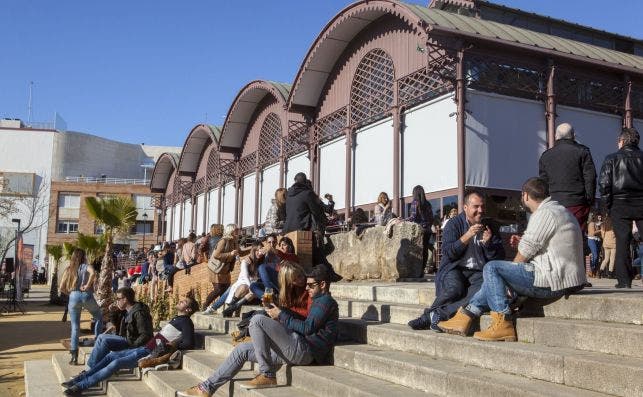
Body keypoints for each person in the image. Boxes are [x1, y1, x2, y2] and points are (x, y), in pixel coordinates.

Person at [438, 177, 586, 341]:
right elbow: (549, 247)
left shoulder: (544, 213)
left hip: (554, 280)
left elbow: (526, 251)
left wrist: (509, 275)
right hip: (564, 277)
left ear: (525, 196)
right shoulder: (560, 210)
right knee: (496, 276)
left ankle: (502, 323)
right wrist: (522, 245)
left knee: (492, 269)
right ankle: (465, 316)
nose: (481, 210)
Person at [177, 264, 339, 396]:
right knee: (242, 350)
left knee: (257, 320)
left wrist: (281, 315)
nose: (307, 288)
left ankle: (267, 374)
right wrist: (279, 313)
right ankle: (207, 388)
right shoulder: (318, 300)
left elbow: (307, 328)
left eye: (311, 285)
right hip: (297, 347)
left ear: (323, 284)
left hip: (306, 350)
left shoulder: (325, 302)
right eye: (307, 284)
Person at [407, 190, 504, 331]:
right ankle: (430, 316)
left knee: (479, 294)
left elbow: (499, 257)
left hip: (479, 272)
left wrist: (488, 245)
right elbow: (448, 253)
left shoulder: (490, 226)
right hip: (455, 268)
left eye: (482, 206)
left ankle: (432, 316)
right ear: (465, 208)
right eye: (476, 207)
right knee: (455, 289)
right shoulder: (454, 224)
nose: (480, 210)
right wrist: (467, 236)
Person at [62, 296, 198, 396]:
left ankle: (79, 387)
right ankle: (79, 379)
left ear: (188, 309)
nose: (180, 300)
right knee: (110, 356)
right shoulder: (178, 319)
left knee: (115, 363)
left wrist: (172, 344)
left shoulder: (186, 322)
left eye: (184, 301)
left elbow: (188, 342)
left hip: (150, 353)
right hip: (145, 348)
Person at [598, 127, 643, 288]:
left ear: (622, 141)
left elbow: (604, 185)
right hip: (641, 202)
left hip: (620, 204)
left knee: (622, 242)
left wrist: (606, 208)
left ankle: (624, 281)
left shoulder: (612, 159)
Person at [539, 122, 597, 233]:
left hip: (554, 204)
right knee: (576, 237)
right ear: (573, 136)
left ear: (556, 136)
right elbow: (590, 177)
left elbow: (543, 183)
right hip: (577, 203)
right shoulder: (583, 152)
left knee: (555, 237)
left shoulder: (546, 156)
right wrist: (589, 200)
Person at [86, 287, 153, 368]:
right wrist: (113, 311)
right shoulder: (125, 310)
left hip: (133, 343)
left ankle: (92, 370)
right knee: (101, 338)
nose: (116, 301)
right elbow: (114, 325)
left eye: (118, 299)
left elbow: (145, 335)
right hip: (127, 339)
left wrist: (132, 346)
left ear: (125, 299)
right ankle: (92, 368)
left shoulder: (139, 313)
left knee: (103, 339)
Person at [59, 248, 103, 365]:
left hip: (73, 297)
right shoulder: (85, 266)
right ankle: (98, 343)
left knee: (75, 327)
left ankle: (74, 357)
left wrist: (72, 294)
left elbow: (61, 288)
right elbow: (93, 273)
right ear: (83, 256)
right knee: (98, 316)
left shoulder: (69, 269)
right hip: (86, 295)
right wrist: (88, 285)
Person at [202, 242, 262, 315]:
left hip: (253, 288)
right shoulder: (246, 261)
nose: (259, 252)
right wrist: (251, 287)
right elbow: (245, 277)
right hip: (245, 284)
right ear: (253, 251)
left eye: (261, 250)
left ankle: (217, 308)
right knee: (238, 288)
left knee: (230, 289)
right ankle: (217, 308)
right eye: (257, 250)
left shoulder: (263, 261)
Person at [203, 224, 249, 309]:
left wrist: (251, 249)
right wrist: (230, 254)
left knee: (226, 290)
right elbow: (216, 255)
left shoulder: (235, 241)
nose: (238, 231)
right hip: (215, 268)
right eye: (236, 230)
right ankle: (205, 305)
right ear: (231, 231)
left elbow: (240, 253)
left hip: (225, 269)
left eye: (238, 230)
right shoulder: (223, 241)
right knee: (218, 289)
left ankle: (221, 308)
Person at [406, 185, 434, 272]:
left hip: (419, 230)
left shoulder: (415, 202)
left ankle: (416, 270)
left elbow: (412, 217)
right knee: (425, 250)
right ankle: (422, 270)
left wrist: (402, 220)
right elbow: (431, 218)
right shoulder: (428, 204)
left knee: (417, 250)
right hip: (428, 230)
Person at [587, 213, 603, 278]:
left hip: (598, 240)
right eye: (598, 217)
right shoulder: (591, 224)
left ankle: (595, 271)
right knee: (595, 255)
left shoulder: (597, 224)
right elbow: (593, 233)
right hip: (592, 240)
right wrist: (601, 230)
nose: (600, 218)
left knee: (597, 256)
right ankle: (591, 270)